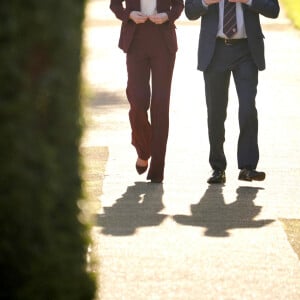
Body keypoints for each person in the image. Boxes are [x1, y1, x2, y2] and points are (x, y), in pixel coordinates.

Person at [184, 0, 279, 184]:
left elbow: (273, 9)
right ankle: (218, 168)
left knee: (247, 107)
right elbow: (190, 11)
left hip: (247, 51)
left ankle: (248, 167)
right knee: (216, 113)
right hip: (215, 50)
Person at [110, 0, 184, 183]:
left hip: (163, 43)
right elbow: (115, 5)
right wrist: (129, 15)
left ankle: (157, 169)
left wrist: (167, 16)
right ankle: (143, 150)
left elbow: (179, 6)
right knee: (137, 101)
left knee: (160, 105)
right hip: (135, 43)